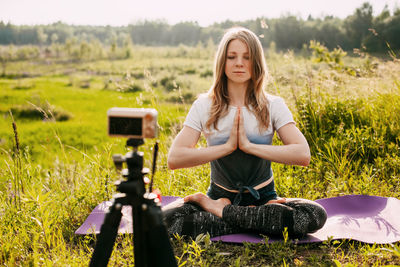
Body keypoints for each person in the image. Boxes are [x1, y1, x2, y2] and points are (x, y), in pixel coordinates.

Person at [162, 27, 327, 239]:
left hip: (264, 198)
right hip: (222, 195)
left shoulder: (273, 105)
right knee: (166, 220)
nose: (239, 63)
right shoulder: (204, 105)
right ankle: (258, 221)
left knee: (314, 215)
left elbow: (302, 154)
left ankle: (221, 212)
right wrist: (227, 147)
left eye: (246, 57)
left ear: (256, 62)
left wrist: (249, 146)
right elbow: (174, 159)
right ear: (223, 62)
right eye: (232, 57)